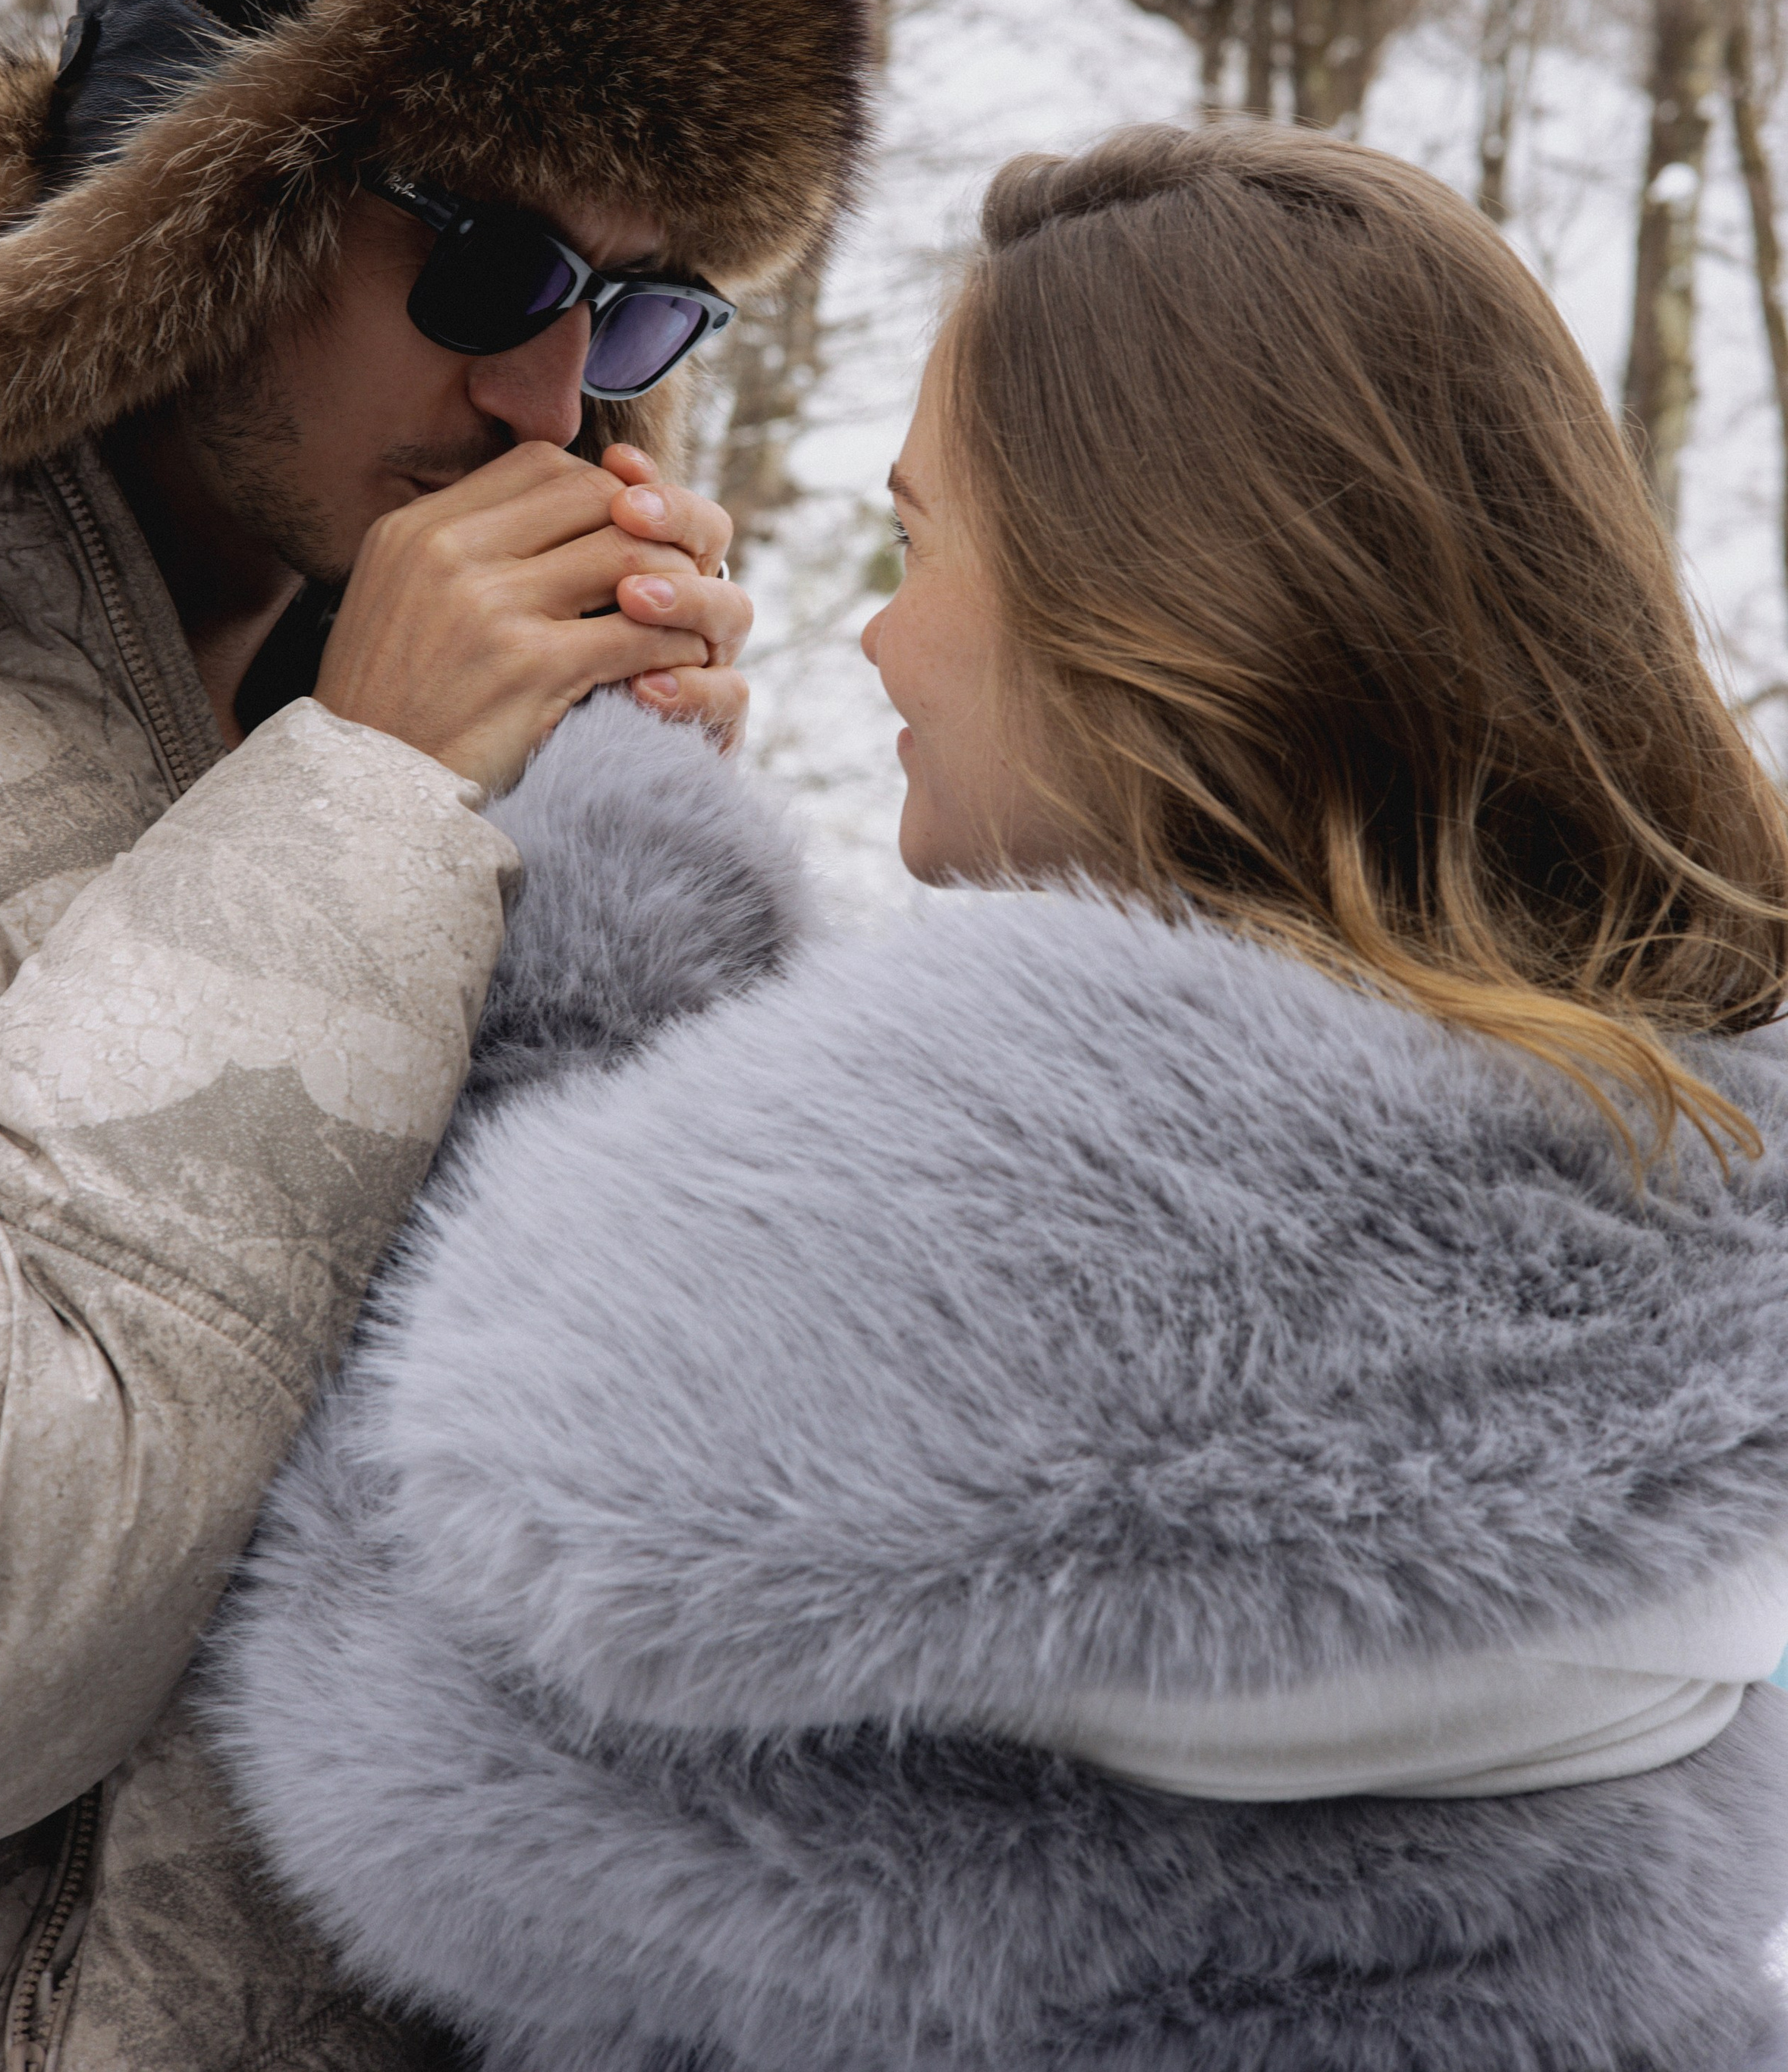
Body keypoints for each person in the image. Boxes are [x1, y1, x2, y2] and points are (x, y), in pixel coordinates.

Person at [219, 121, 1788, 2072]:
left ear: (1143, 600)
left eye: (919, 542)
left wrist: (561, 900)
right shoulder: (1689, 1192)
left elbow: (403, 1725)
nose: (875, 634)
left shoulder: (967, 1284)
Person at [0, 0, 868, 2070]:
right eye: (492, 258)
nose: (546, 400)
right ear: (206, 204)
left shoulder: (457, 711)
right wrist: (367, 806)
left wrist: (632, 888)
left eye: (635, 310)